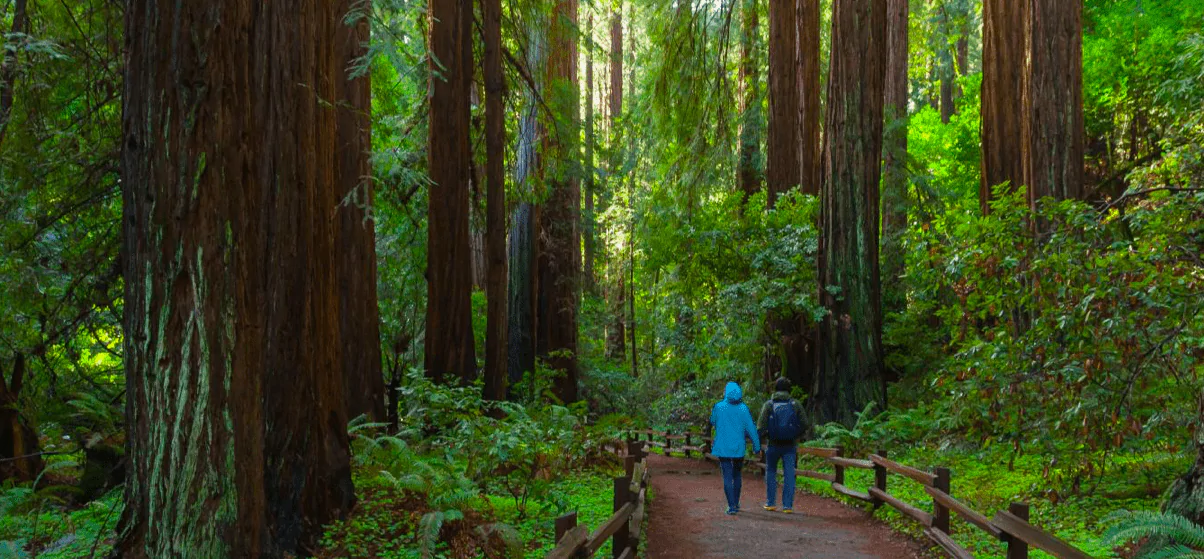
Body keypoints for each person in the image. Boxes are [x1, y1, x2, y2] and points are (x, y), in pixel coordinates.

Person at [709, 381, 760, 515]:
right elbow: (751, 429)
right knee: (737, 475)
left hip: (723, 447)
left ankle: (731, 506)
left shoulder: (719, 407)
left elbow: (712, 421)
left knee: (727, 475)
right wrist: (757, 446)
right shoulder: (743, 408)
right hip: (738, 447)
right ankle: (735, 503)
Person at [757, 377, 807, 514]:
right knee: (789, 473)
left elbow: (760, 426)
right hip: (790, 445)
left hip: (773, 444)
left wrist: (765, 436)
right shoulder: (795, 404)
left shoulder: (769, 405)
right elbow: (805, 423)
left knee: (771, 471)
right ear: (789, 390)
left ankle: (771, 503)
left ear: (775, 389)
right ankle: (787, 506)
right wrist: (795, 434)